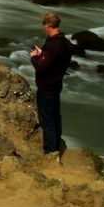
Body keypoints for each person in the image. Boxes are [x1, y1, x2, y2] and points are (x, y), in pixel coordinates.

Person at [29, 11, 74, 158]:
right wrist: (44, 55)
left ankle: (50, 153)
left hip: (46, 87)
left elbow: (41, 67)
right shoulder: (66, 43)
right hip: (57, 85)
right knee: (55, 117)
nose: (43, 29)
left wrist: (35, 58)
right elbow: (57, 61)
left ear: (48, 26)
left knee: (46, 120)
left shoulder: (52, 45)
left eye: (44, 26)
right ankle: (56, 148)